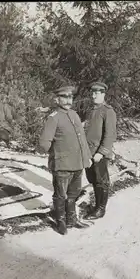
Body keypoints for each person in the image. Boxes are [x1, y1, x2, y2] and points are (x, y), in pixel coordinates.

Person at [38, 85, 92, 235]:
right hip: (62, 165)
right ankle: (61, 221)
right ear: (57, 99)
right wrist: (54, 154)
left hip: (76, 163)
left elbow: (82, 140)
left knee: (73, 193)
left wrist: (86, 158)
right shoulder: (53, 118)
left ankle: (72, 219)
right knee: (61, 195)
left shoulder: (74, 115)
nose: (68, 101)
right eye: (64, 97)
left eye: (70, 97)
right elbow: (44, 143)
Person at [82, 81, 117, 220]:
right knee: (93, 179)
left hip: (99, 154)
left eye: (97, 93)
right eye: (92, 92)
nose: (93, 95)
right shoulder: (92, 111)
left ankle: (100, 209)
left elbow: (110, 135)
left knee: (101, 180)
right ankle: (96, 205)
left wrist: (101, 153)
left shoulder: (108, 111)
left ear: (103, 94)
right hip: (90, 152)